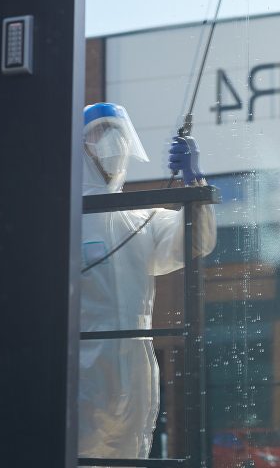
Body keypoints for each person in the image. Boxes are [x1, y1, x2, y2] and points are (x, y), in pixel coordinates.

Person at [79, 102, 216, 460]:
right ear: (80, 146)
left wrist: (193, 185)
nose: (113, 144)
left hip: (135, 363)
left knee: (129, 455)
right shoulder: (63, 217)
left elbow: (194, 239)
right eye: (100, 134)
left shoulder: (141, 219)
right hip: (80, 363)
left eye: (119, 135)